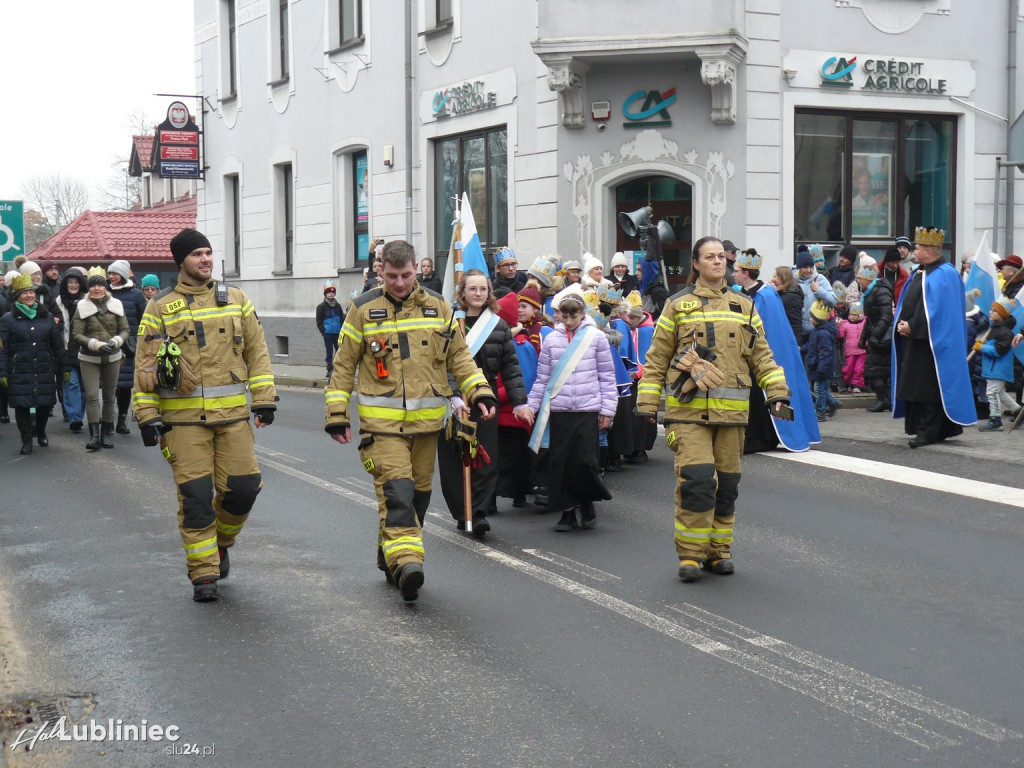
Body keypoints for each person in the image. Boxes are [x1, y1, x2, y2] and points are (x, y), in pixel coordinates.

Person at [325, 240, 495, 603]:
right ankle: (408, 564)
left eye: (405, 275)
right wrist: (336, 414)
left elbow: (460, 358)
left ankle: (389, 554)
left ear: (416, 269)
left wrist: (478, 391)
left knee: (417, 498)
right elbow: (343, 367)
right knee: (397, 493)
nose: (399, 283)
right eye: (391, 276)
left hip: (427, 427)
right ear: (380, 271)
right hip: (382, 428)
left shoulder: (438, 307)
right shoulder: (362, 308)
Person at [133, 228, 278, 602]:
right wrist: (147, 415)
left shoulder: (236, 300)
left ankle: (221, 544)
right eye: (197, 254)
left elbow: (257, 353)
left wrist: (264, 398)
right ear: (181, 262)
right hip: (182, 425)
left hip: (232, 418)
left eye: (209, 253)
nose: (205, 260)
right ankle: (204, 574)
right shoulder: (159, 307)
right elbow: (145, 367)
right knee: (196, 497)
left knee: (244, 489)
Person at [637, 236, 790, 582]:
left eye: (722, 256)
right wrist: (647, 404)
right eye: (710, 257)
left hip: (732, 416)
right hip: (687, 413)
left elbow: (762, 356)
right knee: (698, 480)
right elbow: (657, 358)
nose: (718, 262)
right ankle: (690, 554)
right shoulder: (676, 306)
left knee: (728, 485)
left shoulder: (745, 305)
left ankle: (718, 551)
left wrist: (777, 392)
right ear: (696, 263)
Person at [437, 272, 530, 535]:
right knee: (454, 460)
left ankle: (478, 512)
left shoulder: (498, 326)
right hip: (453, 401)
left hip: (484, 400)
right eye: (472, 289)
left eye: (482, 289)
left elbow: (511, 368)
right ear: (462, 292)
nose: (478, 294)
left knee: (484, 458)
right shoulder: (450, 324)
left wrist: (520, 402)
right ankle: (461, 511)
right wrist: (455, 397)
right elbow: (440, 365)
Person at [527, 284, 618, 532]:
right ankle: (567, 512)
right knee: (561, 462)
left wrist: (607, 411)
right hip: (560, 411)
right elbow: (542, 378)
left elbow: (607, 376)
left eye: (573, 315)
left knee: (585, 461)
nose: (568, 321)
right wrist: (532, 406)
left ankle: (587, 502)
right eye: (563, 315)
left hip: (588, 409)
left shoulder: (596, 337)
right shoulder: (551, 339)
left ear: (582, 313)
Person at [893, 227, 976, 447]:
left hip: (933, 344)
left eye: (918, 248)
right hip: (917, 341)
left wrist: (913, 326)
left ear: (929, 251)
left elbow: (938, 311)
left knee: (928, 389)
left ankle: (928, 431)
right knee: (916, 387)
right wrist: (902, 324)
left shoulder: (945, 274)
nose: (915, 251)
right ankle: (930, 429)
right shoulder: (922, 271)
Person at [732, 250, 819, 453]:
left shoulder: (765, 296)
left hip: (767, 356)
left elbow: (761, 329)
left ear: (746, 273)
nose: (733, 274)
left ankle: (763, 437)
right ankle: (764, 435)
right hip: (754, 356)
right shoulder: (751, 294)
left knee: (763, 395)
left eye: (736, 271)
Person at [0, 274, 67, 454]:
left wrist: (64, 368)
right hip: (19, 368)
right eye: (25, 293)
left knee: (45, 403)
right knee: (22, 404)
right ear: (17, 297)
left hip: (44, 366)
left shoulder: (47, 316)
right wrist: (3, 372)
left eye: (31, 292)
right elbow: (4, 348)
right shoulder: (7, 319)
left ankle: (41, 431)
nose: (29, 296)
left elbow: (57, 345)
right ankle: (26, 439)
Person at [72, 267, 130, 451]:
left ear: (105, 287)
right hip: (89, 358)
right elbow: (77, 334)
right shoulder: (82, 306)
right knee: (91, 396)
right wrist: (95, 344)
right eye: (93, 286)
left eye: (100, 285)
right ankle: (94, 435)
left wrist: (115, 341)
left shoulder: (116, 305)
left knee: (109, 396)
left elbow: (125, 330)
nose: (97, 288)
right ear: (89, 288)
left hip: (113, 356)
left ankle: (105, 433)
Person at [107, 259, 146, 435]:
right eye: (109, 274)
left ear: (122, 274)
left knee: (124, 385)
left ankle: (121, 419)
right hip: (107, 343)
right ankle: (107, 419)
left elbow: (144, 319)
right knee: (109, 384)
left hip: (128, 347)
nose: (111, 277)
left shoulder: (136, 295)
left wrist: (137, 338)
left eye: (114, 273)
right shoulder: (105, 292)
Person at [855, 255, 894, 413]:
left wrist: (875, 336)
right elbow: (870, 319)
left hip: (882, 338)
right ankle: (884, 399)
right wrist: (864, 337)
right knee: (877, 369)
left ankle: (883, 399)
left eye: (860, 279)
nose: (858, 282)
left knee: (877, 369)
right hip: (877, 336)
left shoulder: (880, 291)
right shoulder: (870, 293)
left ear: (867, 279)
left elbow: (886, 316)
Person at [975, 297, 1019, 431]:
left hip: (998, 369)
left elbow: (999, 351)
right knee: (1000, 393)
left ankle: (995, 419)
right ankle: (1018, 412)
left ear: (1002, 314)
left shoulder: (1004, 332)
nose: (990, 312)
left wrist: (982, 348)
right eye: (991, 310)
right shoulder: (994, 329)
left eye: (994, 311)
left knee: (992, 393)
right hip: (993, 368)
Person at [55, 267, 87, 433]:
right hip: (67, 348)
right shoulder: (58, 302)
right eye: (70, 282)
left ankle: (79, 416)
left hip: (86, 350)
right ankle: (74, 417)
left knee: (83, 386)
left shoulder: (88, 301)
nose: (73, 285)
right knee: (71, 383)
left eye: (76, 282)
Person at [803, 301, 840, 422]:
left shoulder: (823, 333)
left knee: (819, 390)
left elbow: (826, 354)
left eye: (812, 317)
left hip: (820, 367)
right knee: (822, 389)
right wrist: (802, 348)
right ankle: (833, 403)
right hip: (817, 366)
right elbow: (811, 346)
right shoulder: (816, 331)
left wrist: (821, 369)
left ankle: (820, 413)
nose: (809, 318)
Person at [793, 246, 837, 345]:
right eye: (805, 267)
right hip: (798, 330)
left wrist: (818, 290)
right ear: (799, 268)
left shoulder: (820, 279)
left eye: (811, 267)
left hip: (816, 328)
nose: (809, 270)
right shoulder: (793, 281)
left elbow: (833, 300)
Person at [837, 301, 867, 392]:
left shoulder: (864, 323)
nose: (853, 316)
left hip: (862, 350)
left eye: (855, 315)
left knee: (859, 368)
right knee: (848, 368)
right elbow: (840, 335)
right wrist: (839, 326)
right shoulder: (845, 324)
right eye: (851, 314)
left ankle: (856, 385)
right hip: (850, 351)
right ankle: (845, 383)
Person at [771, 265, 805, 344]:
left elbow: (795, 321)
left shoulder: (792, 296)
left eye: (775, 276)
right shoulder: (781, 293)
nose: (773, 279)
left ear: (783, 278)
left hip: (788, 339)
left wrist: (797, 343)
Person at [316, 280, 344, 376]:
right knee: (329, 352)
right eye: (329, 292)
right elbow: (319, 320)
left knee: (339, 351)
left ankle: (338, 367)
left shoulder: (338, 306)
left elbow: (341, 318)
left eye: (333, 292)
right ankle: (329, 368)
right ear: (325, 294)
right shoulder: (321, 306)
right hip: (327, 333)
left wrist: (341, 329)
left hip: (337, 332)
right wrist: (323, 331)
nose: (331, 293)